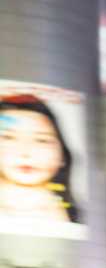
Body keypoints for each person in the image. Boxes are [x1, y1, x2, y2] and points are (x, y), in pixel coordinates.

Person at [0, 91, 80, 236]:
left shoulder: (76, 218)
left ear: (62, 155)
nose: (26, 152)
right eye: (8, 137)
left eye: (41, 140)